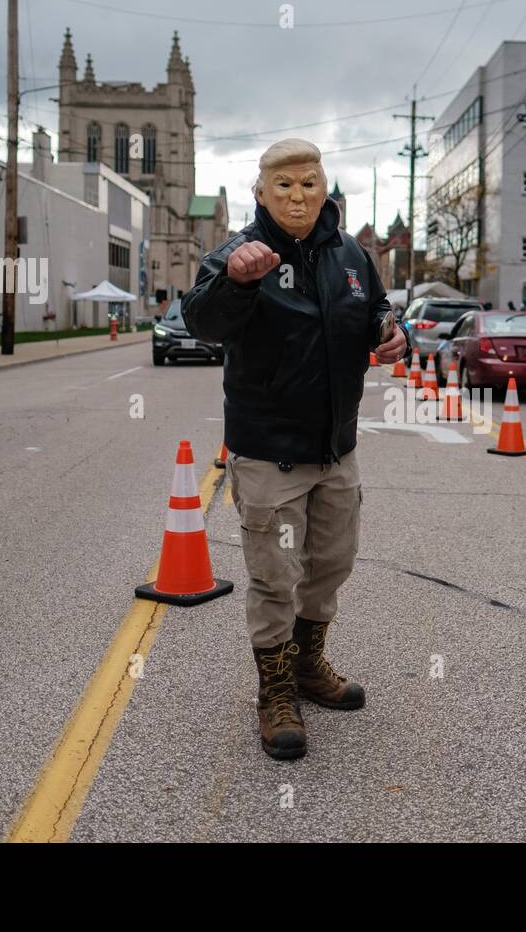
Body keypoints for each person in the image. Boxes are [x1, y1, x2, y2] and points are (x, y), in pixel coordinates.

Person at [182, 138, 409, 762]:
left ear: (324, 187)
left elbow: (377, 313)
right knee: (275, 578)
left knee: (331, 565)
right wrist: (235, 283)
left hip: (336, 451)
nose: (297, 195)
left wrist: (394, 336)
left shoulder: (352, 256)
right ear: (260, 192)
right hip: (268, 456)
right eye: (282, 184)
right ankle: (275, 693)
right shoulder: (237, 256)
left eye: (308, 182)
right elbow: (200, 322)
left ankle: (308, 667)